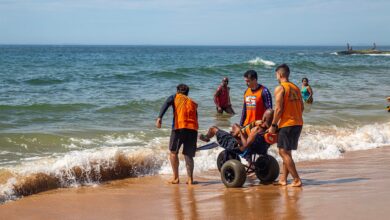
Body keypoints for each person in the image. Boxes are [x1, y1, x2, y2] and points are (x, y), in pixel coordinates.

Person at [269, 64, 304, 187]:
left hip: (287, 124)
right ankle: (283, 179)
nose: (276, 77)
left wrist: (273, 125)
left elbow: (278, 109)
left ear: (280, 74)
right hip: (298, 123)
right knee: (287, 153)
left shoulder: (280, 88)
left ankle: (296, 180)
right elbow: (302, 108)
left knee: (283, 152)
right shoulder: (296, 88)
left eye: (276, 74)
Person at [156, 84, 198, 185]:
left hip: (179, 127)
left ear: (178, 91)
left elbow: (166, 104)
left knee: (173, 152)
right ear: (187, 93)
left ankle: (176, 178)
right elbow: (196, 116)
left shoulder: (174, 97)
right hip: (193, 129)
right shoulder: (192, 102)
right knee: (188, 155)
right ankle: (190, 179)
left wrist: (159, 118)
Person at [199, 109, 274, 159]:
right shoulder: (271, 130)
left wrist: (240, 132)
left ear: (263, 118)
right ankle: (234, 134)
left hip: (239, 147)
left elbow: (246, 145)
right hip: (258, 149)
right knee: (235, 125)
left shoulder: (257, 129)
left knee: (213, 129)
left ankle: (206, 137)